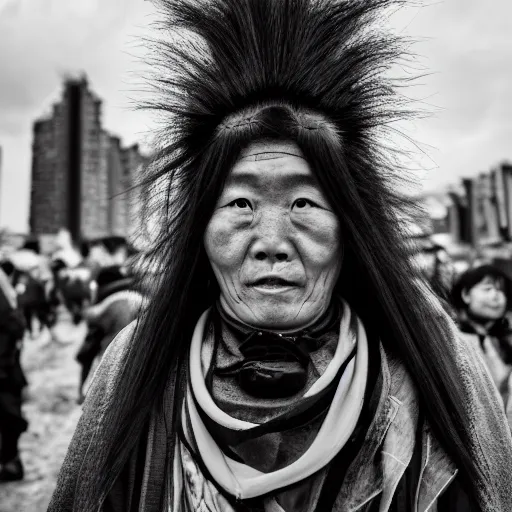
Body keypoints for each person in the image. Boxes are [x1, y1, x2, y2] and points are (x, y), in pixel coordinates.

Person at [48, 1, 512, 511]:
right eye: (241, 203)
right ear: (200, 227)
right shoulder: (133, 367)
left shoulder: (435, 366)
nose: (271, 240)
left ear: (350, 227)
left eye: (304, 203)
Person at [76, 265, 145, 404]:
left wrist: (83, 389)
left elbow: (89, 347)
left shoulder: (104, 307)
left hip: (113, 363)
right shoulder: (144, 300)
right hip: (143, 361)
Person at [451, 265, 512, 413]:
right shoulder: (453, 339)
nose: (496, 296)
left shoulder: (504, 341)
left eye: (501, 291)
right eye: (487, 288)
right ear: (466, 295)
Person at [0, 267, 27, 481]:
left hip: (4, 369)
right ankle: (10, 461)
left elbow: (14, 326)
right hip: (7, 368)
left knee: (9, 417)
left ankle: (11, 462)